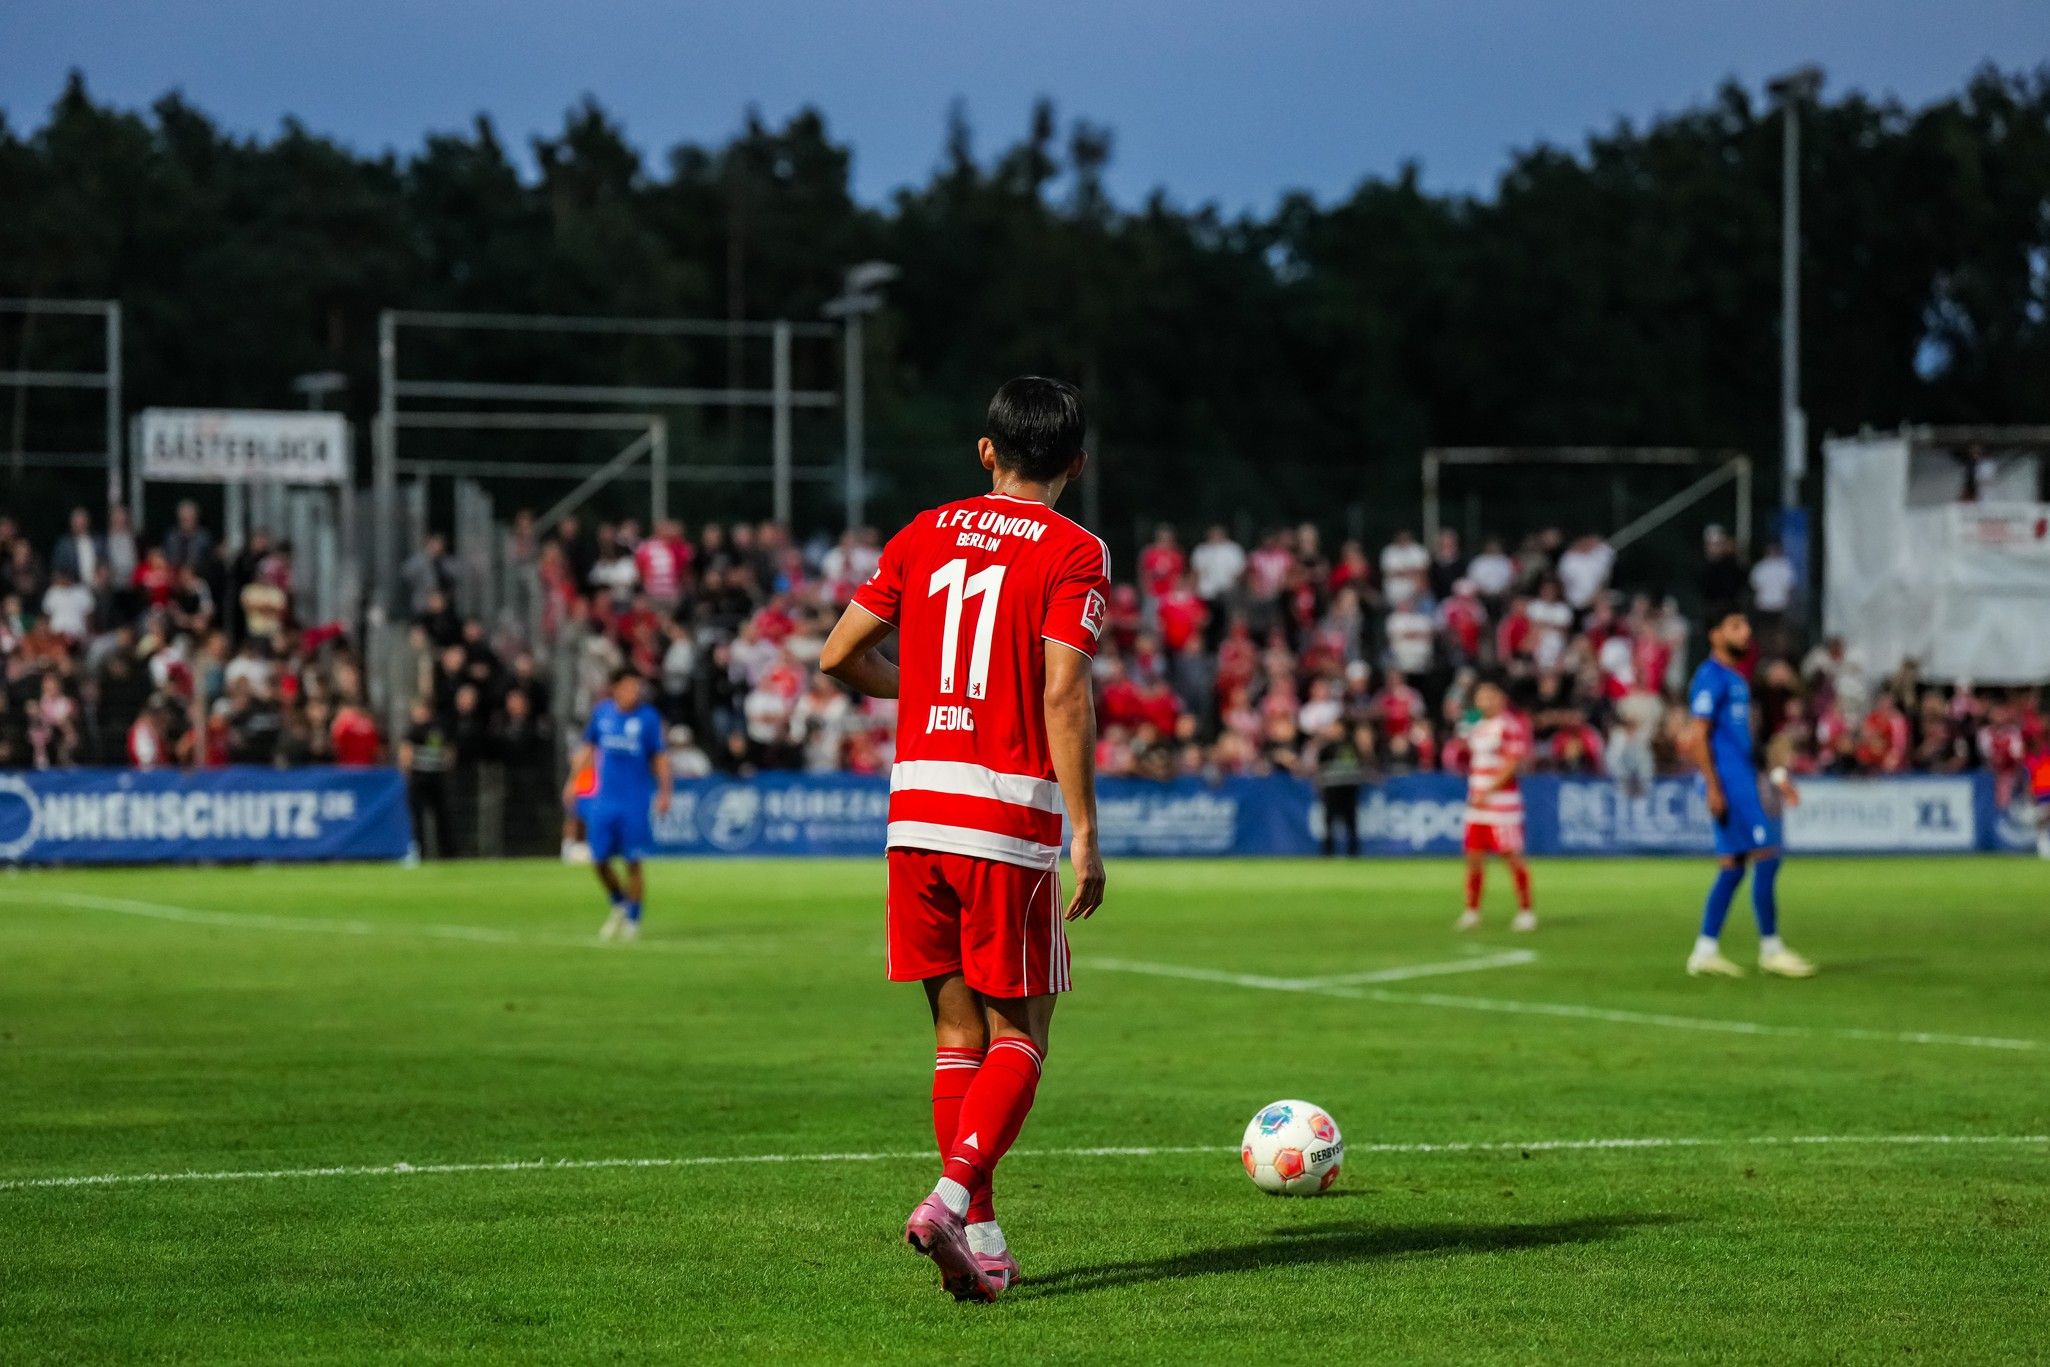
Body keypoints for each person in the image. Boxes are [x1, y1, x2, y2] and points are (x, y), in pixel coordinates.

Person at [817, 375, 1109, 1303]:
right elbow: (1064, 690)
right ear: (1076, 463)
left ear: (986, 451)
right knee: (1023, 1029)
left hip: (915, 814)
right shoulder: (1076, 550)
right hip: (1002, 811)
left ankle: (980, 1230)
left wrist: (933, 695)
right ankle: (949, 1197)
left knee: (955, 1030)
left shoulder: (923, 530)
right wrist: (1088, 834)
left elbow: (837, 654)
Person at [1682, 611, 1816, 979]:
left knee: (1733, 868)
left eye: (1746, 628)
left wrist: (1776, 775)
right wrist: (1712, 785)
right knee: (1767, 856)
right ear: (1715, 635)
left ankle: (1704, 952)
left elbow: (1747, 743)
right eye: (1736, 627)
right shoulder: (1710, 678)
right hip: (1728, 782)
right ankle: (1771, 949)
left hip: (1742, 776)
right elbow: (1698, 736)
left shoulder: (1737, 680)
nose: (1745, 634)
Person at [564, 668, 673, 941]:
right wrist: (572, 782)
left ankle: (633, 920)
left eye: (636, 688)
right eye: (628, 687)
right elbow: (588, 750)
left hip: (634, 801)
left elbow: (658, 757)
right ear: (615, 689)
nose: (633, 692)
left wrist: (664, 791)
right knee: (599, 859)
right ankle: (619, 902)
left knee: (633, 861)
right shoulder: (602, 714)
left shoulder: (648, 718)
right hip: (605, 800)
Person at [1457, 678, 1535, 932]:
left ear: (1501, 698)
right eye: (1481, 696)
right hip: (1478, 804)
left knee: (1511, 856)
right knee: (1473, 857)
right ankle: (1472, 911)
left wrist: (1488, 791)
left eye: (1489, 695)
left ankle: (1526, 911)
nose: (1484, 701)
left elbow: (1512, 764)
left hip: (1502, 805)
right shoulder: (1476, 726)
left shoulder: (1509, 725)